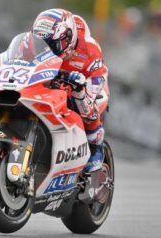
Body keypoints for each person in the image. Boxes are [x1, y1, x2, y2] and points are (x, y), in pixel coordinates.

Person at [32, 9, 109, 173]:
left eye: (53, 44)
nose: (49, 48)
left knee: (85, 99)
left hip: (88, 80)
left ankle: (95, 144)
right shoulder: (35, 44)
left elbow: (98, 78)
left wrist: (81, 87)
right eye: (44, 43)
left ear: (68, 37)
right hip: (53, 81)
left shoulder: (89, 48)